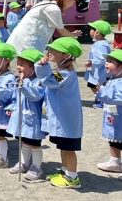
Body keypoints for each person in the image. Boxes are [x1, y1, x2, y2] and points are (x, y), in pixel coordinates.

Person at [36, 37, 84, 188]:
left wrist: (41, 66)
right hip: (63, 119)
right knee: (63, 147)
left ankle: (73, 177)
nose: (49, 52)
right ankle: (65, 172)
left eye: (54, 50)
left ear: (65, 55)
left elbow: (49, 81)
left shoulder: (65, 74)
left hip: (67, 121)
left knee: (69, 149)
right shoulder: (62, 71)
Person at [6, 48, 47, 181]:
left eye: (22, 64)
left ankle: (36, 167)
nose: (18, 67)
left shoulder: (38, 82)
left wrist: (24, 85)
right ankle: (23, 163)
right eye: (18, 63)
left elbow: (35, 96)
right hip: (21, 118)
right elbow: (15, 97)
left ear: (33, 67)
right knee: (23, 142)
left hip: (33, 119)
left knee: (34, 144)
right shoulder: (20, 79)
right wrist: (11, 106)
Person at [6, 0, 82, 54]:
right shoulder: (53, 8)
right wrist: (74, 34)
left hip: (26, 38)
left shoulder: (50, 3)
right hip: (28, 40)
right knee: (29, 65)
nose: (72, 5)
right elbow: (61, 31)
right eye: (74, 2)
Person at [95, 49, 122, 176]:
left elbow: (118, 98)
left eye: (110, 62)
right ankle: (115, 161)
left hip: (119, 117)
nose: (106, 64)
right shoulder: (112, 78)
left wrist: (102, 92)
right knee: (113, 138)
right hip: (113, 117)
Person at [86, 20, 112, 109]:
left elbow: (102, 59)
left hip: (100, 71)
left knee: (98, 85)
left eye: (91, 29)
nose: (90, 31)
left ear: (97, 32)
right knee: (92, 84)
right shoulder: (98, 43)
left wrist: (92, 62)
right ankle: (100, 98)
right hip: (95, 70)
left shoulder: (102, 45)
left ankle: (102, 100)